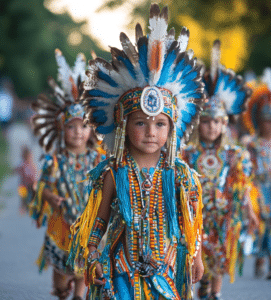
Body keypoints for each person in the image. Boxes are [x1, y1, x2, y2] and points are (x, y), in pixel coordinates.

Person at [68, 4, 205, 299]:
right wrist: (92, 253)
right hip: (121, 270)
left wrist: (198, 257)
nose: (151, 132)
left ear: (172, 130)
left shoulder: (182, 176)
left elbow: (190, 223)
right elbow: (100, 219)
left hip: (167, 270)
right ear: (123, 125)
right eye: (141, 122)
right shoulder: (113, 173)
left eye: (160, 124)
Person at [182, 40, 256, 300]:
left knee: (220, 253)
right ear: (198, 124)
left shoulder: (234, 154)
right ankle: (200, 288)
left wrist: (249, 212)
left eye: (216, 122)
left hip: (224, 214)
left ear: (225, 124)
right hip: (194, 214)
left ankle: (215, 293)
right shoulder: (187, 153)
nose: (211, 127)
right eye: (206, 121)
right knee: (195, 251)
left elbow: (241, 186)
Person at [29, 49, 103, 300]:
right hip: (61, 224)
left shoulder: (98, 159)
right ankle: (62, 291)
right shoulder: (54, 160)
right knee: (62, 272)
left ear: (91, 130)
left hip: (87, 223)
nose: (78, 132)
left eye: (83, 126)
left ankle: (79, 296)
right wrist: (50, 198)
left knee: (82, 268)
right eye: (71, 127)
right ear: (61, 130)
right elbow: (42, 186)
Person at [242, 68, 271, 280]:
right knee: (260, 225)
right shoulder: (252, 144)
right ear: (259, 120)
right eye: (267, 120)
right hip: (258, 189)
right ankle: (260, 258)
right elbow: (247, 168)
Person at [15, 146, 37, 214]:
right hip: (24, 184)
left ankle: (34, 205)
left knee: (34, 191)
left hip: (31, 183)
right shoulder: (22, 165)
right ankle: (23, 206)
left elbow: (35, 174)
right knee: (22, 195)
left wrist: (35, 181)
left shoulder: (32, 164)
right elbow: (17, 169)